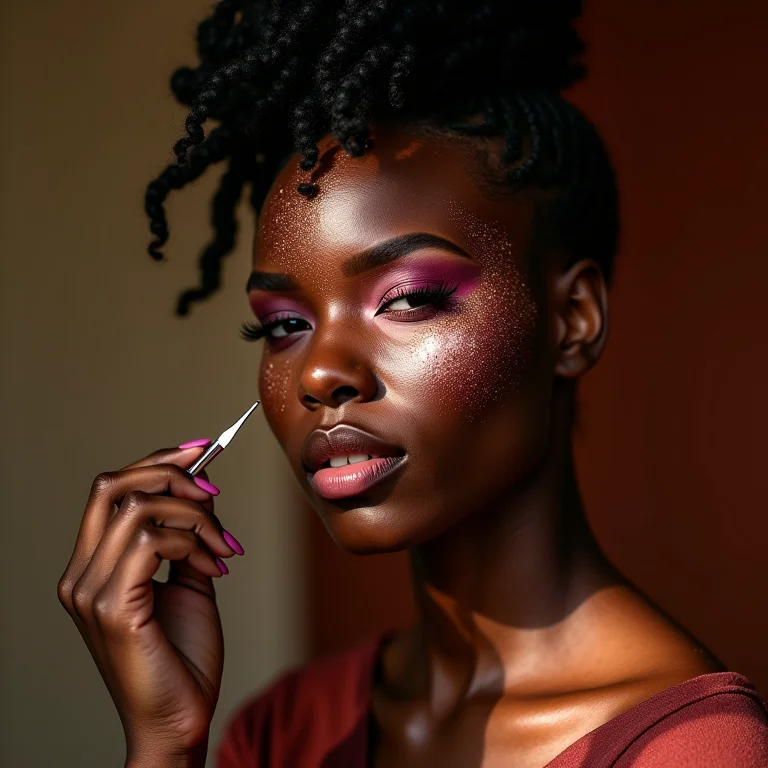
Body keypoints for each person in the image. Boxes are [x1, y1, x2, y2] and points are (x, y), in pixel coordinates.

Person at [57, 1, 768, 766]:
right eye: (284, 325)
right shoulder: (284, 730)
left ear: (573, 319)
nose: (321, 371)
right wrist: (164, 744)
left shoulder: (692, 749)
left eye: (407, 300)